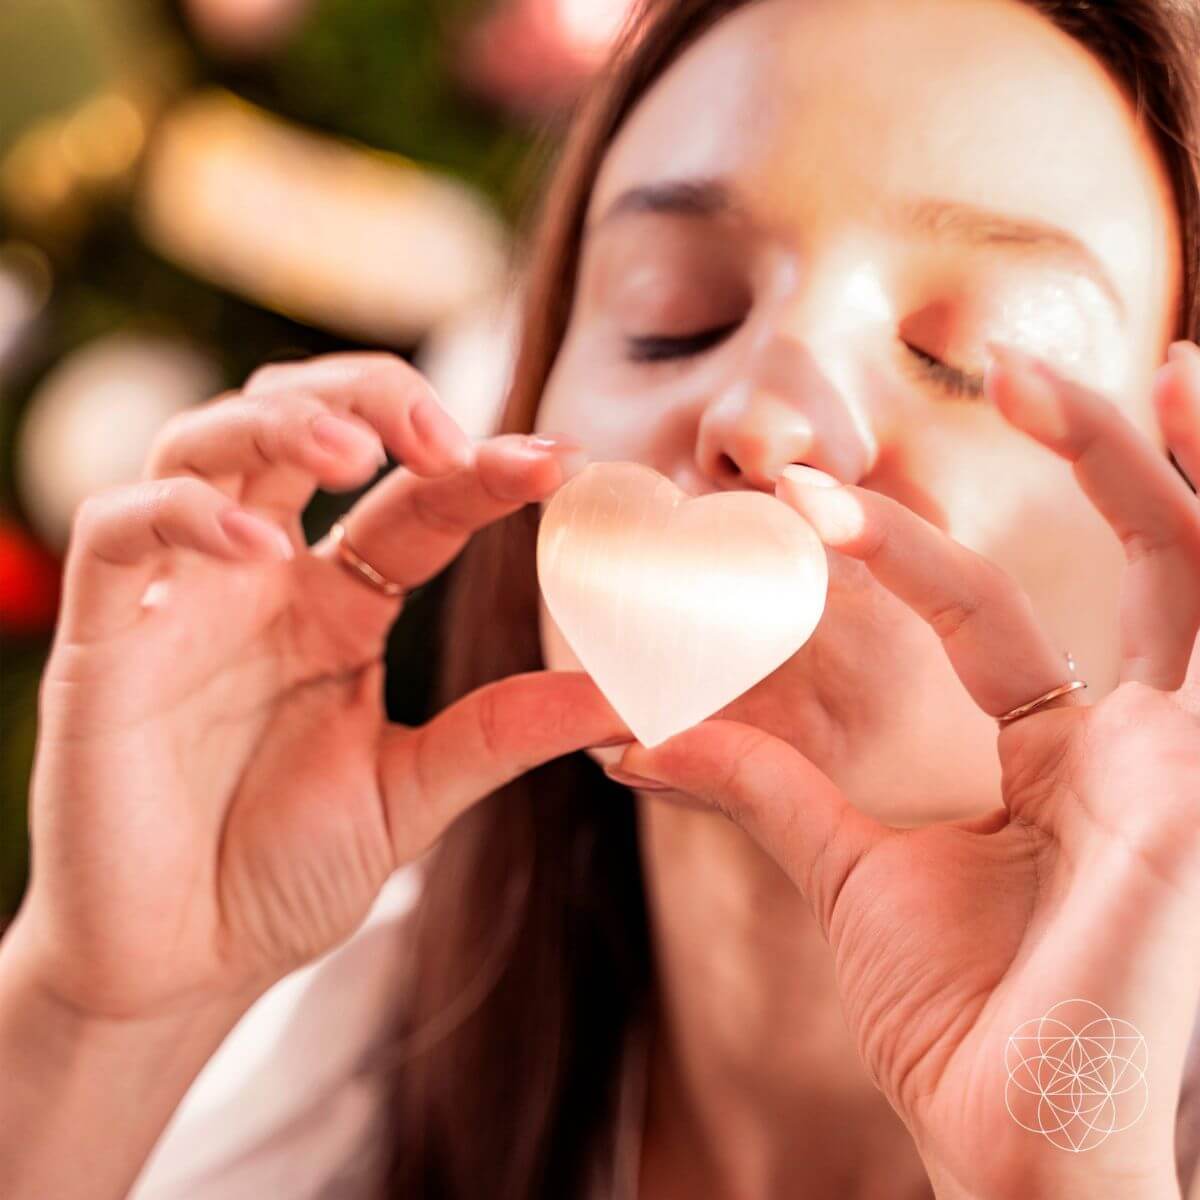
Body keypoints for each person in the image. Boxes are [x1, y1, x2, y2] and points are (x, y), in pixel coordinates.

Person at [3, 0, 1200, 1196]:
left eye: (970, 361)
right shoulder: (309, 1069)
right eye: (670, 320)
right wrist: (100, 1015)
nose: (758, 414)